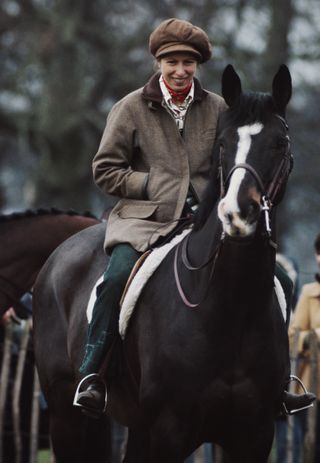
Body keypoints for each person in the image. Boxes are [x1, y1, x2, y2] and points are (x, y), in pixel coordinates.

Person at [74, 17, 315, 418]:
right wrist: (153, 186)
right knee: (116, 278)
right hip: (143, 223)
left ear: (198, 66)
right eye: (172, 62)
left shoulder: (221, 108)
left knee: (283, 280)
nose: (180, 70)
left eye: (188, 62)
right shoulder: (130, 108)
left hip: (205, 223)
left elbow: (237, 160)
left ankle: (277, 383)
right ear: (159, 63)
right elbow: (105, 170)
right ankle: (94, 374)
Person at [288, 233, 320, 462]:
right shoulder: (310, 293)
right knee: (309, 450)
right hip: (313, 391)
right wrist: (314, 337)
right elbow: (293, 338)